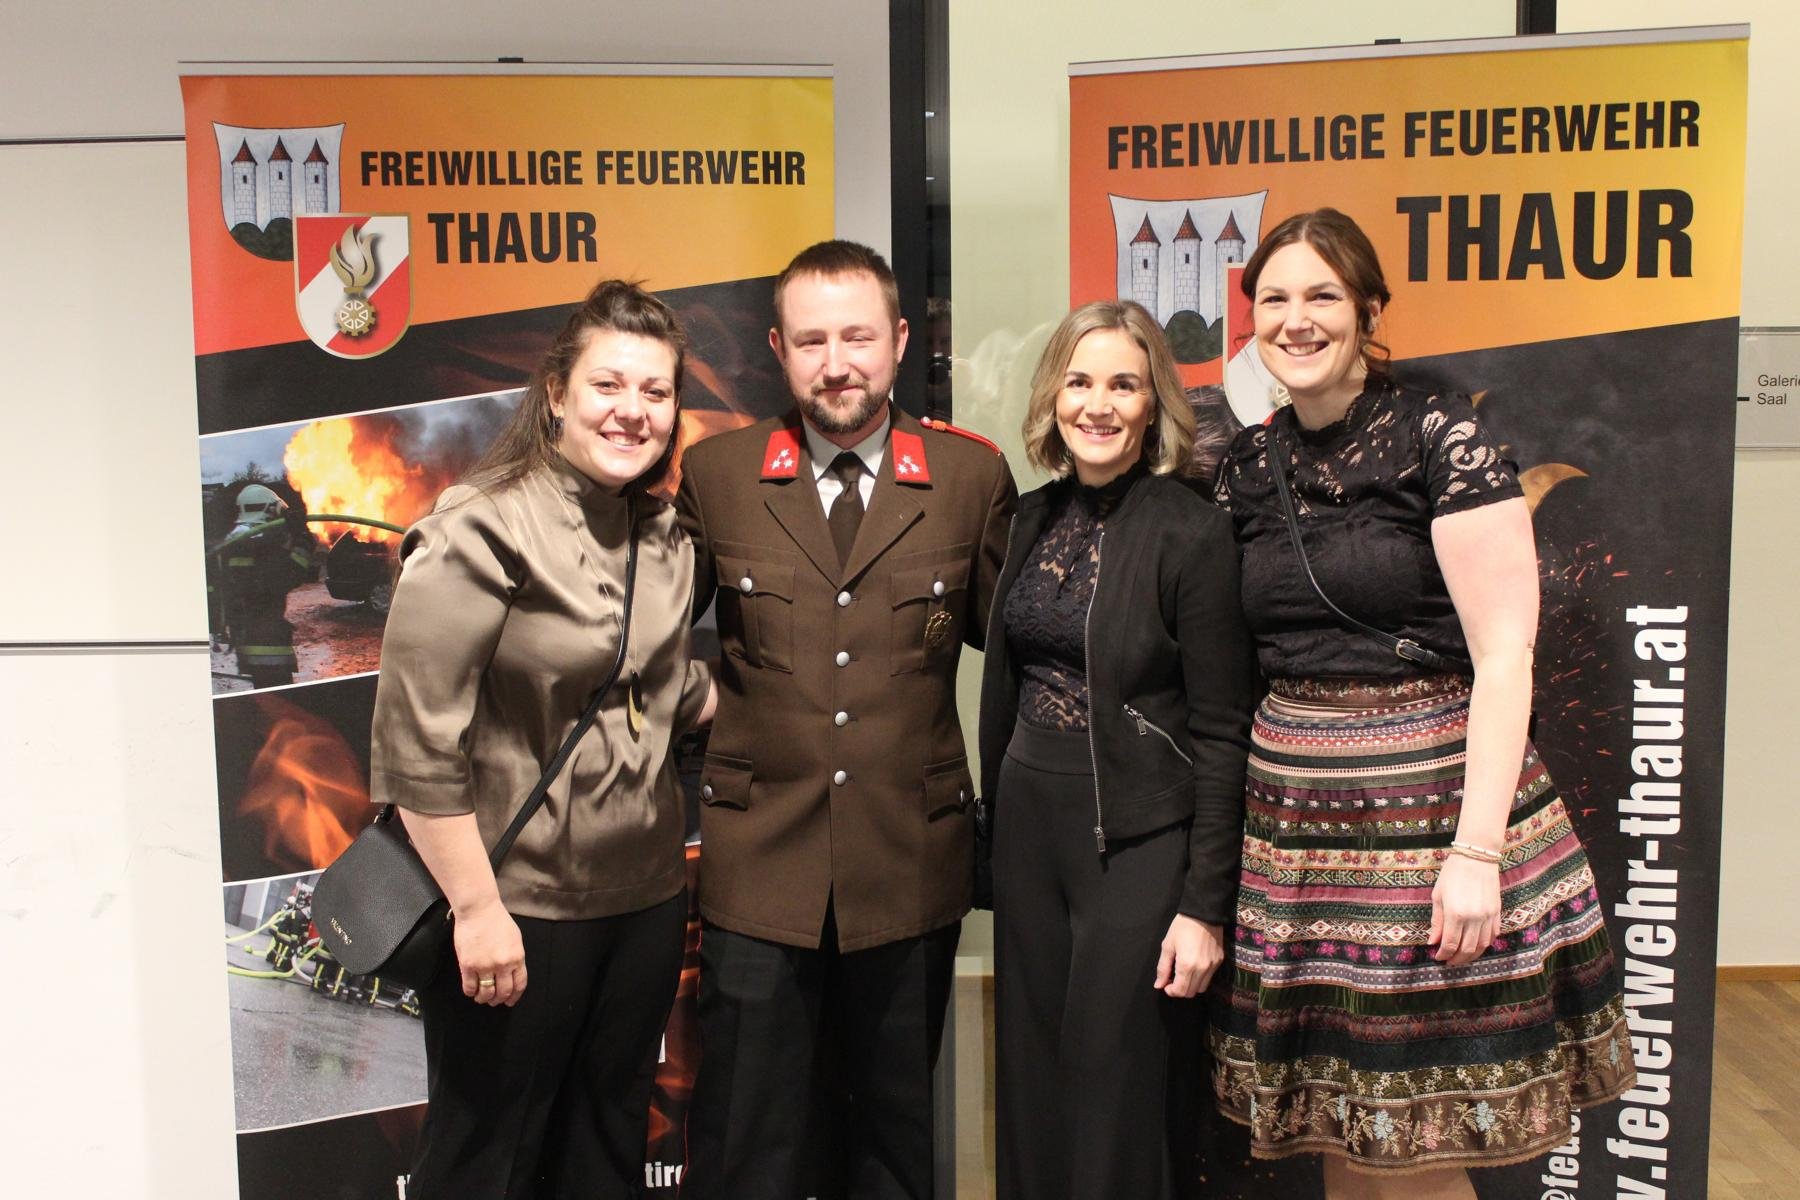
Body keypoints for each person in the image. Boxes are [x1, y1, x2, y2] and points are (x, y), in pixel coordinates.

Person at [1208, 209, 1636, 1194]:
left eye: (1322, 295)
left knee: (1421, 1146)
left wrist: (1476, 856)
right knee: (1342, 1132)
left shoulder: (1439, 436)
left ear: (1368, 310)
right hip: (1299, 840)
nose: (1296, 319)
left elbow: (1504, 654)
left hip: (1433, 825)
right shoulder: (1244, 465)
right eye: (1275, 298)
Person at [675, 239, 1016, 1200]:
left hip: (907, 861)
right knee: (748, 1144)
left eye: (858, 337)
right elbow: (630, 621)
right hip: (760, 865)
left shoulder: (968, 478)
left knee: (894, 1145)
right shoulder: (719, 474)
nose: (837, 364)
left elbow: (1029, 648)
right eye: (812, 340)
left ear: (900, 340)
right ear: (778, 350)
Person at [369, 279, 714, 1199]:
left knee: (605, 1153)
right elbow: (415, 746)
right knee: (489, 1163)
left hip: (644, 906)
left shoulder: (663, 533)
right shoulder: (481, 524)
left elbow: (657, 683)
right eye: (609, 385)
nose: (632, 411)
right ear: (557, 392)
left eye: (655, 391)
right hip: (516, 908)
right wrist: (477, 911)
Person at [977, 299, 1259, 1199]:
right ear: (1054, 396)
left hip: (1138, 840)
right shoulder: (1025, 519)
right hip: (1028, 830)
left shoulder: (1192, 531)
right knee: (1028, 1079)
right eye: (1080, 381)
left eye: (1123, 385)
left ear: (1153, 406)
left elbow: (1222, 730)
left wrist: (1205, 906)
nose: (1097, 404)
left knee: (1115, 1084)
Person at [216, 482, 314, 688]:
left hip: (251, 640)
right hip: (267, 646)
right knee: (279, 699)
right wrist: (303, 539)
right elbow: (288, 575)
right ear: (269, 510)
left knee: (266, 694)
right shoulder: (257, 542)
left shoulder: (239, 540)